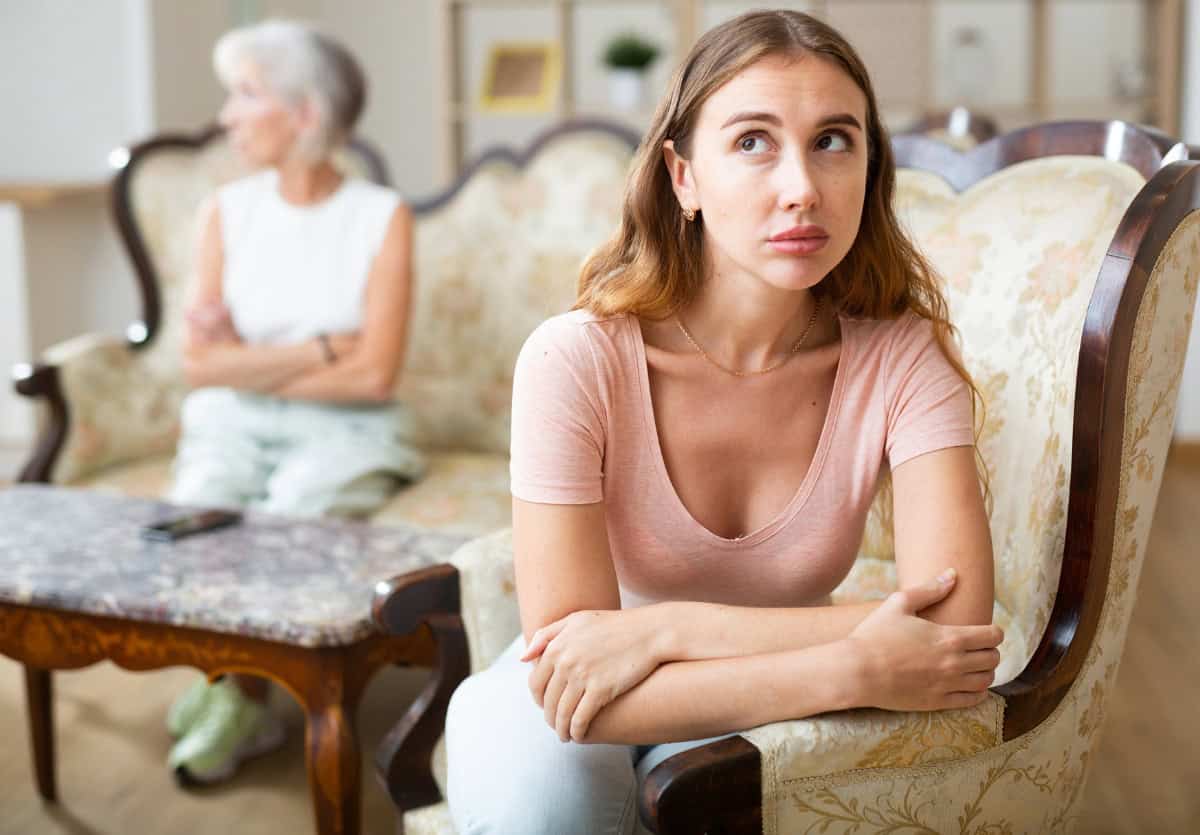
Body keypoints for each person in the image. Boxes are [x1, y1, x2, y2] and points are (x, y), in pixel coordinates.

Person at [444, 9, 1004, 834]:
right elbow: (577, 690)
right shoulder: (575, 360)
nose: (802, 187)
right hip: (555, 694)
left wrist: (662, 628)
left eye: (834, 140)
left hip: (747, 693)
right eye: (752, 141)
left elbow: (954, 639)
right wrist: (856, 660)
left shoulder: (902, 359)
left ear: (868, 169)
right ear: (683, 178)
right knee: (547, 804)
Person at [163, 20, 425, 784]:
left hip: (351, 429)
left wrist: (244, 360)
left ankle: (242, 702)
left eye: (246, 94)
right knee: (196, 511)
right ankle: (237, 694)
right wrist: (318, 348)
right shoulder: (226, 211)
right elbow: (198, 366)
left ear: (305, 113)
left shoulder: (382, 216)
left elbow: (374, 375)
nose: (228, 115)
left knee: (292, 512)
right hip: (233, 420)